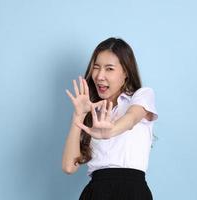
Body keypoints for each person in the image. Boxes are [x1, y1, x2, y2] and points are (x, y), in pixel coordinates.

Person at [62, 37, 158, 200]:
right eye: (96, 68)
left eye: (109, 69)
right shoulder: (92, 111)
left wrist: (111, 130)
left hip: (133, 193)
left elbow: (131, 118)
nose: (99, 76)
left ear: (126, 72)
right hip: (96, 193)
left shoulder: (142, 96)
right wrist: (78, 115)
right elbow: (69, 167)